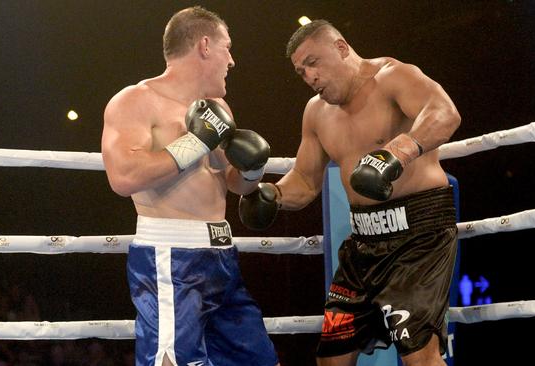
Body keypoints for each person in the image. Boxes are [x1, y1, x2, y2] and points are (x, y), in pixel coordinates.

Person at [239, 20, 461, 366]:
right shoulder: (316, 113)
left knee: (420, 356)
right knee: (332, 358)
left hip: (418, 236)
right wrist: (273, 196)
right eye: (301, 71)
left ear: (341, 48)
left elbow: (445, 113)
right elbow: (305, 180)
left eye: (313, 62)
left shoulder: (394, 77)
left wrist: (398, 152)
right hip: (363, 244)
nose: (309, 77)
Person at [101, 6, 279, 366]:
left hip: (222, 256)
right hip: (172, 258)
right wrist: (195, 143)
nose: (232, 60)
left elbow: (232, 182)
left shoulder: (218, 108)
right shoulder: (136, 99)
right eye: (227, 47)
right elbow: (123, 176)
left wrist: (252, 171)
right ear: (205, 45)